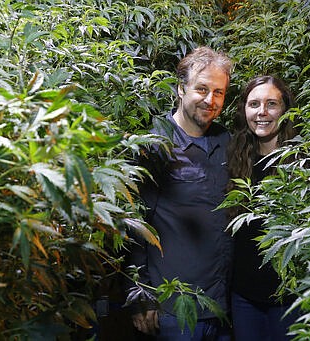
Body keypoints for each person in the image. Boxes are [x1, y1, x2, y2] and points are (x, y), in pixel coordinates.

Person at [126, 46, 234, 340]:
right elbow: (134, 226)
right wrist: (139, 294)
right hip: (175, 312)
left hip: (225, 307)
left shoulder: (227, 141)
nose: (210, 100)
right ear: (180, 89)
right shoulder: (154, 146)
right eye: (201, 89)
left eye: (219, 92)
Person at [226, 75, 299, 341]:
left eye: (271, 104)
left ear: (285, 109)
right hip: (245, 296)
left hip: (290, 296)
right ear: (244, 109)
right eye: (254, 104)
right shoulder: (236, 157)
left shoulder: (302, 161)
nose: (262, 112)